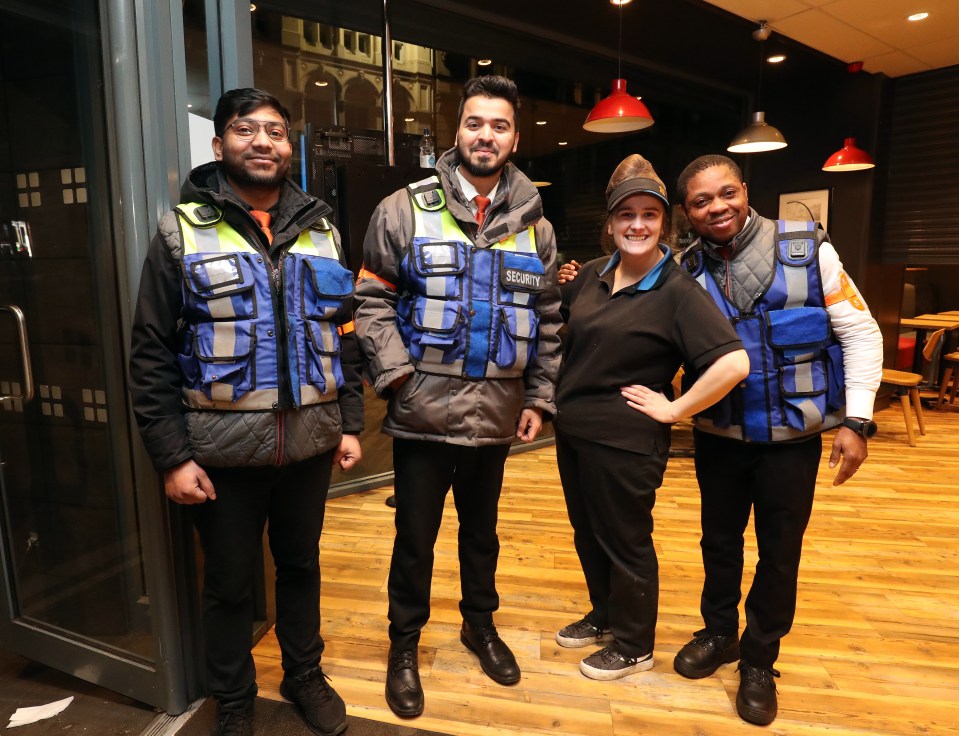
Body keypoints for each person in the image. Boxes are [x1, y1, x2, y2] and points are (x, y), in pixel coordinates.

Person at [129, 88, 363, 736]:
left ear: (290, 148)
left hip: (310, 445)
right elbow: (151, 351)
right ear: (219, 145)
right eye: (244, 129)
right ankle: (233, 700)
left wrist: (348, 421)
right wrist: (172, 458)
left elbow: (341, 334)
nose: (262, 141)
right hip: (221, 453)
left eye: (275, 132)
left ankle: (303, 675)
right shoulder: (183, 231)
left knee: (300, 567)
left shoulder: (322, 229)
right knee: (229, 586)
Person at [353, 75, 562, 718]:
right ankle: (403, 644)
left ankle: (480, 624)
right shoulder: (403, 209)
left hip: (497, 414)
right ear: (458, 130)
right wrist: (398, 379)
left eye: (499, 126)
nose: (485, 136)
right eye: (475, 123)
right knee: (414, 536)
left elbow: (549, 320)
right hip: (421, 413)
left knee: (483, 533)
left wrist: (540, 397)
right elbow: (370, 301)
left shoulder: (537, 226)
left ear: (515, 138)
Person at [670, 155, 883, 726]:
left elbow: (860, 332)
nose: (717, 207)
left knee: (779, 551)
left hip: (793, 437)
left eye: (725, 193)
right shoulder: (682, 269)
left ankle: (760, 659)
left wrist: (856, 421)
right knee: (718, 542)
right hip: (719, 434)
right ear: (687, 212)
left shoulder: (809, 247)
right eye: (701, 201)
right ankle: (719, 634)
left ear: (745, 190)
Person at [553, 154, 749, 682]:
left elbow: (734, 362)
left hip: (626, 442)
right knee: (588, 534)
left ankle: (636, 644)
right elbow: (564, 321)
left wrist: (675, 408)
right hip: (573, 433)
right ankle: (607, 615)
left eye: (649, 215)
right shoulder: (593, 273)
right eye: (626, 215)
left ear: (666, 223)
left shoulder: (678, 291)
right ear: (611, 223)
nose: (637, 225)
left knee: (625, 542)